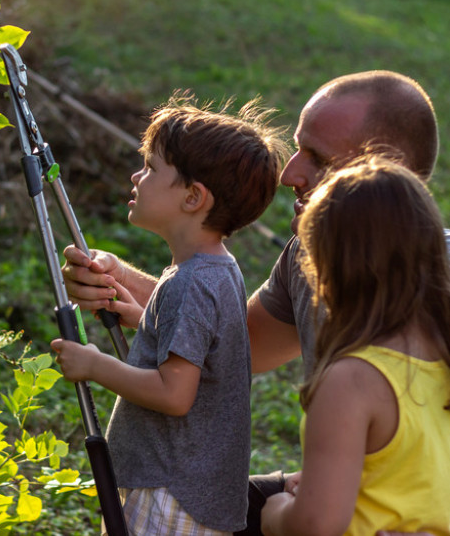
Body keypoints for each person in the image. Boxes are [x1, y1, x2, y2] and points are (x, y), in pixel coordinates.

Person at [62, 71, 450, 535]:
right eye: (298, 148)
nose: (290, 174)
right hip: (347, 501)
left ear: (382, 175)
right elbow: (240, 344)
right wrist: (125, 284)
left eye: (320, 159)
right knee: (189, 507)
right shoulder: (312, 255)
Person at [51, 94, 288, 534]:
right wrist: (146, 321)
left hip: (169, 494)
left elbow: (174, 394)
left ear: (194, 197)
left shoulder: (190, 281)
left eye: (151, 168)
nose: (136, 176)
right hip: (194, 491)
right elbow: (208, 354)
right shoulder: (219, 269)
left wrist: (93, 363)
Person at [259, 155, 450, 536]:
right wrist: (321, 482)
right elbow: (431, 486)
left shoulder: (350, 380)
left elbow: (315, 525)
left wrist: (276, 512)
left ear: (331, 270)